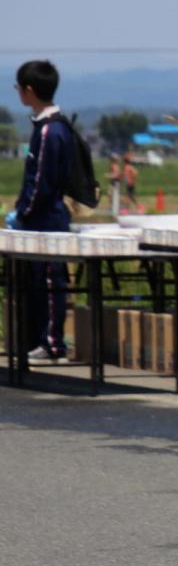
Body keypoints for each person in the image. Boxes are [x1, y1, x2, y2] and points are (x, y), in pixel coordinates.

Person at [9, 60, 72, 365]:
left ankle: (52, 343)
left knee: (50, 282)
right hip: (43, 218)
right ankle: (39, 340)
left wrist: (23, 212)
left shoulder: (50, 131)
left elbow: (41, 182)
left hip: (46, 220)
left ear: (29, 91)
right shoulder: (48, 127)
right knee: (38, 282)